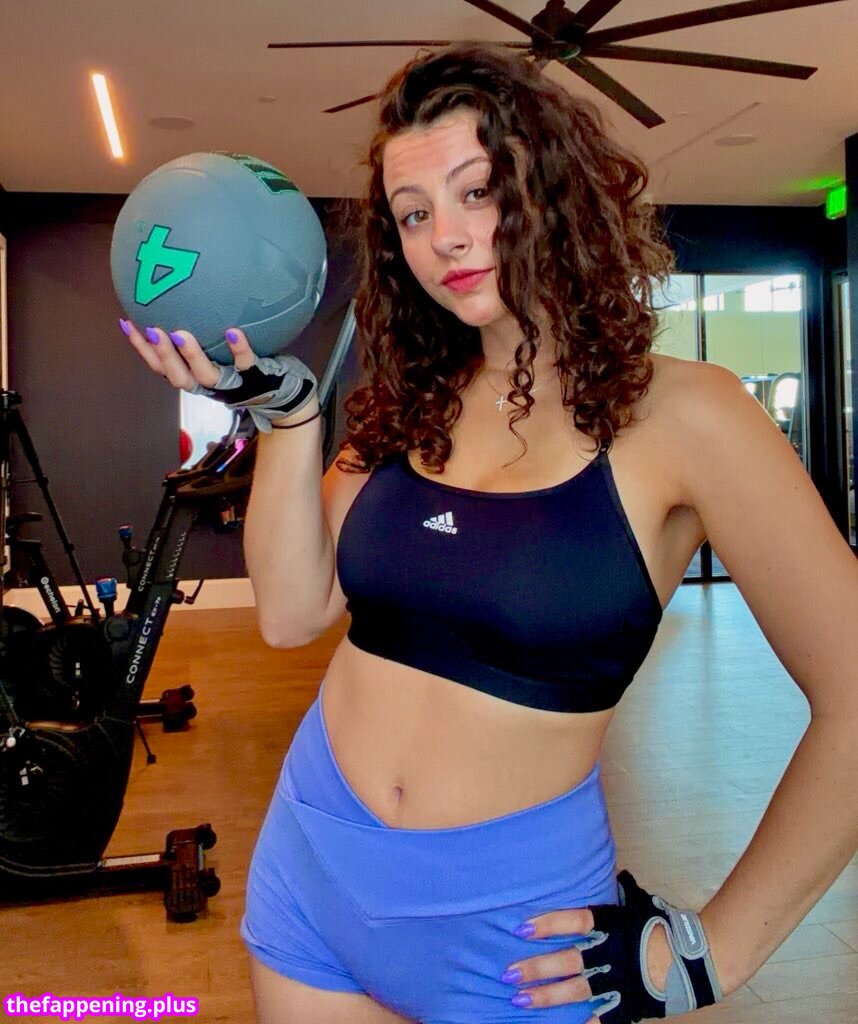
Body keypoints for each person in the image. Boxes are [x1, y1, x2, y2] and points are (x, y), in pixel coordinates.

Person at [120, 43, 858, 1024]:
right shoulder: (407, 407)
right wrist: (288, 417)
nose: (447, 238)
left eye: (477, 191)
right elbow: (294, 613)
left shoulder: (689, 416)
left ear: (552, 191)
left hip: (518, 941)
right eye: (414, 213)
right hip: (313, 878)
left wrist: (712, 952)